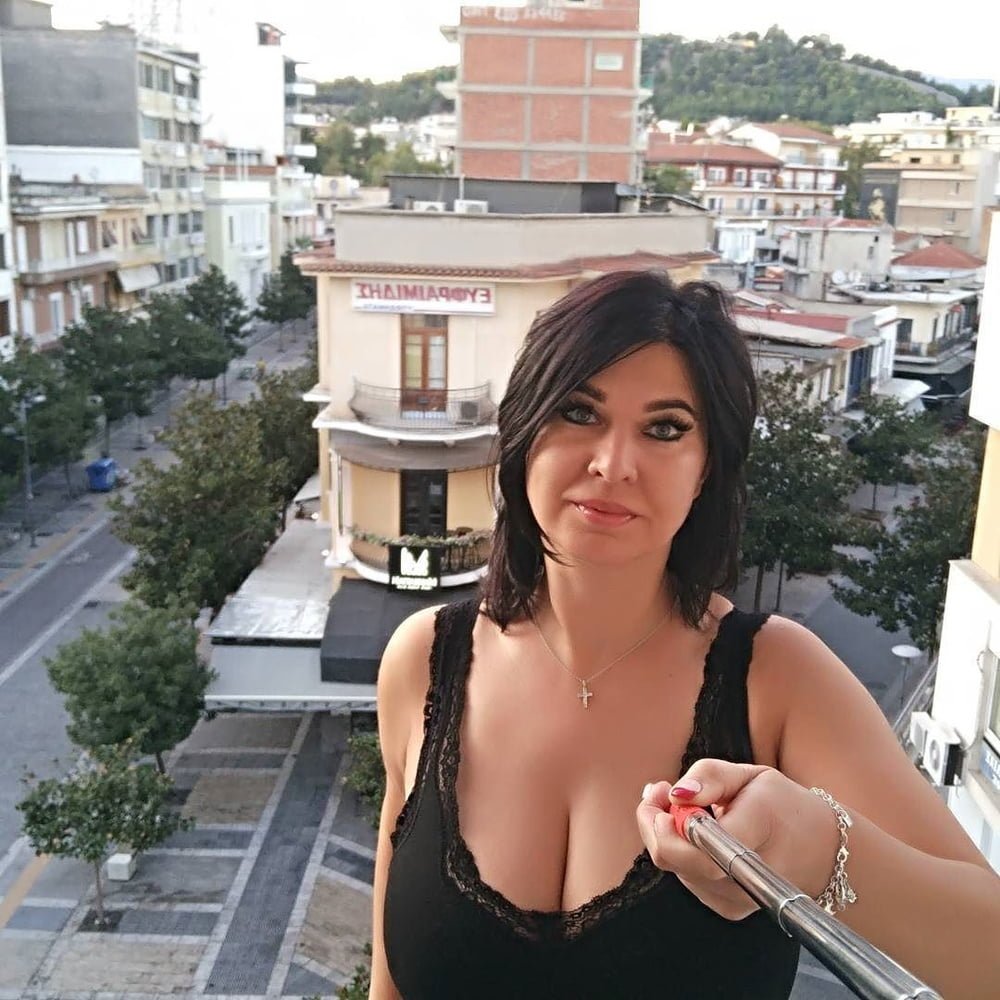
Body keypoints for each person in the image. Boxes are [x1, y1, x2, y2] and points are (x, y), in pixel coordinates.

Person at [369, 270, 1000, 999]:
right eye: (578, 412)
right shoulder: (423, 663)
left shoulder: (777, 679)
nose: (613, 464)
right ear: (523, 432)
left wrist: (821, 852)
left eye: (665, 428)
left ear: (706, 471)